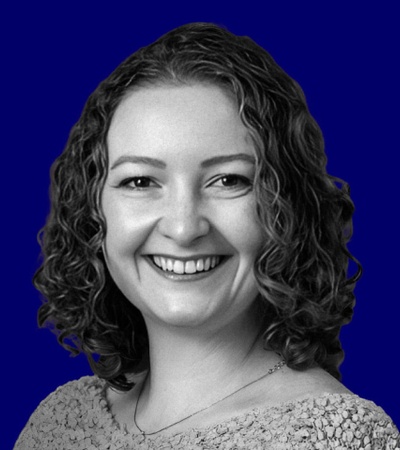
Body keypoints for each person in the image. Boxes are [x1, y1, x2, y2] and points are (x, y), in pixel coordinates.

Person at [15, 22, 399, 449]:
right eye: (141, 182)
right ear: (91, 210)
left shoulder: (338, 439)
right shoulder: (56, 425)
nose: (183, 228)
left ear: (286, 209)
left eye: (228, 180)